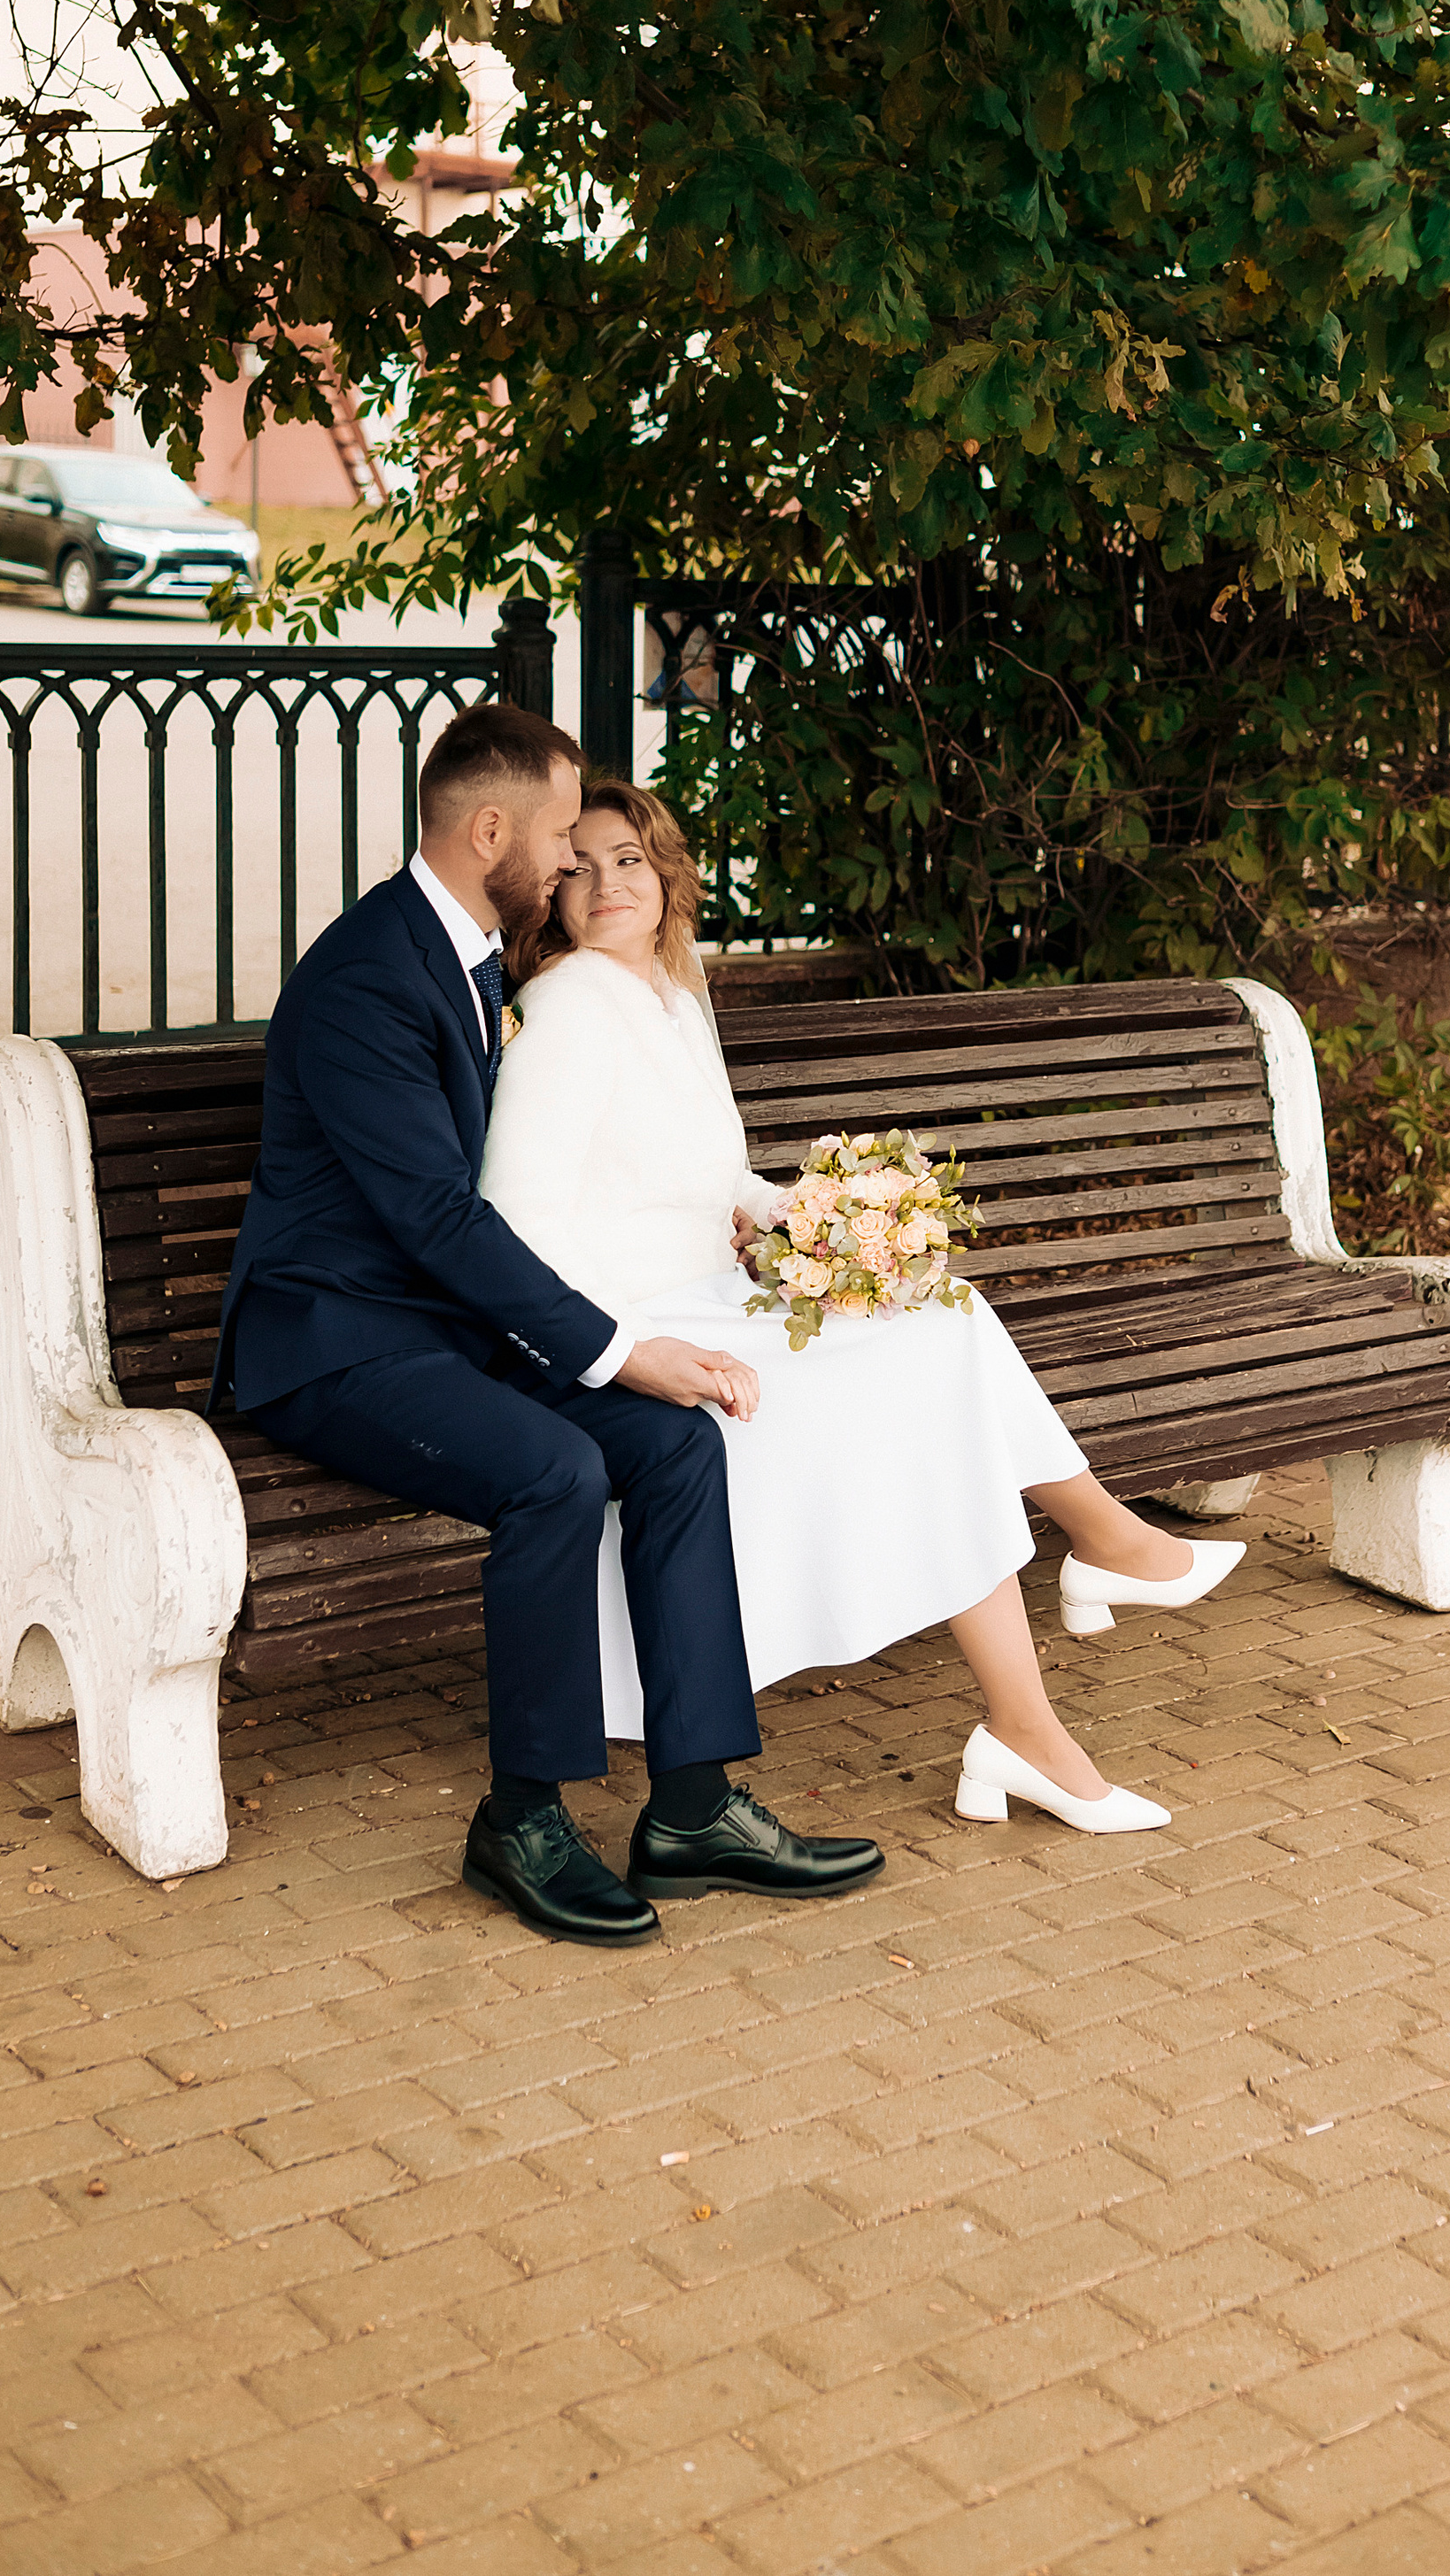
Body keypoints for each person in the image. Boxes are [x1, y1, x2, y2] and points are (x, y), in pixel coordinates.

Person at [211, 703, 884, 1947]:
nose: (577, 859)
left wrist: (638, 1346)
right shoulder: (368, 974)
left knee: (674, 1444)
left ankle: (691, 1804)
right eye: (563, 835)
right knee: (556, 1471)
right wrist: (623, 1346)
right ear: (488, 831)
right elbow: (430, 1217)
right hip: (335, 1343)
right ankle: (519, 1817)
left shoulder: (469, 948)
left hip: (447, 1331)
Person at [478, 778, 1245, 1835]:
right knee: (922, 1380)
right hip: (635, 1324)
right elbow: (512, 1220)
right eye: (586, 866)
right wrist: (626, 1347)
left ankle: (1055, 1655)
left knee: (941, 1312)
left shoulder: (668, 993)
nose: (608, 884)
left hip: (713, 1294)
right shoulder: (565, 1010)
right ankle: (1082, 1597)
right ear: (555, 894)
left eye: (632, 860)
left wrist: (817, 1217)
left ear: (667, 876)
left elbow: (706, 1177)